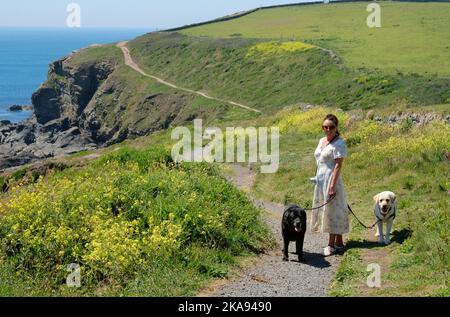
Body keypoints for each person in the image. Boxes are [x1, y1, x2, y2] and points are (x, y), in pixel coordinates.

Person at [311, 114, 350, 257]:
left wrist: (332, 186)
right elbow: (320, 160)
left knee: (332, 211)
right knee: (327, 210)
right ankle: (339, 243)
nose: (328, 129)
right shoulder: (322, 140)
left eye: (331, 127)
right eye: (325, 127)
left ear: (336, 128)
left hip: (331, 180)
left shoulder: (339, 143)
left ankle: (331, 245)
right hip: (321, 181)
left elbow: (338, 166)